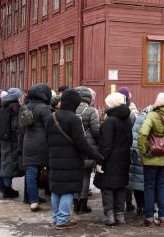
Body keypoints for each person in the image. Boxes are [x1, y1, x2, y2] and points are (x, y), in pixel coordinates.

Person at [45, 88, 104, 230]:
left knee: (56, 189)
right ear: (74, 103)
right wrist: (98, 157)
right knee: (67, 190)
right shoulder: (73, 119)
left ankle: (56, 218)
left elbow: (46, 139)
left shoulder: (51, 117)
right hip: (70, 161)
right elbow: (82, 143)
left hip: (54, 159)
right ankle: (63, 220)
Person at [138, 93, 164, 227]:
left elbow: (143, 133)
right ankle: (163, 217)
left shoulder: (153, 115)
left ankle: (149, 218)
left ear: (160, 102)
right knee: (161, 186)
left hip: (151, 157)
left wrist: (143, 150)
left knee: (149, 187)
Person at [94, 92, 132, 226]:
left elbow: (106, 144)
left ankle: (109, 216)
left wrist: (100, 161)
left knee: (107, 187)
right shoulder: (128, 118)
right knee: (120, 186)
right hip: (124, 158)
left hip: (110, 159)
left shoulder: (110, 121)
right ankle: (120, 215)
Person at [20, 83, 53, 211]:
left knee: (31, 171)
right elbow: (48, 126)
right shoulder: (44, 108)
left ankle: (33, 200)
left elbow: (22, 127)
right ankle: (48, 194)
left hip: (28, 143)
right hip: (43, 143)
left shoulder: (25, 107)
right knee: (45, 169)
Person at [73, 86, 101, 214]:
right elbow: (96, 131)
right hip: (88, 147)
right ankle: (83, 204)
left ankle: (75, 202)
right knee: (85, 175)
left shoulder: (71, 109)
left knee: (75, 176)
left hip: (73, 147)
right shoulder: (90, 111)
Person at [118, 86, 140, 212]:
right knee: (129, 175)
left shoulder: (111, 112)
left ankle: (126, 202)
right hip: (130, 147)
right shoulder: (133, 112)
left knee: (125, 175)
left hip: (121, 148)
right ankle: (128, 202)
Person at [0, 93, 23, 198]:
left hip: (5, 143)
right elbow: (17, 128)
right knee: (9, 167)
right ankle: (7, 190)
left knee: (6, 165)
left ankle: (6, 188)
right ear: (13, 104)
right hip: (12, 144)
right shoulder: (13, 113)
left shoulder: (2, 111)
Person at [129, 105, 152, 217]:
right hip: (148, 154)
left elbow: (134, 135)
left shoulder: (139, 118)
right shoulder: (153, 119)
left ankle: (139, 207)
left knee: (137, 182)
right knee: (148, 183)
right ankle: (147, 207)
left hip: (136, 153)